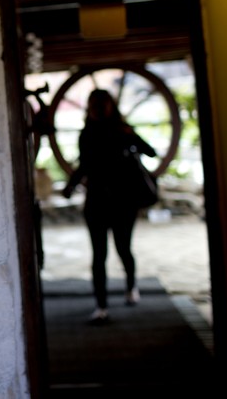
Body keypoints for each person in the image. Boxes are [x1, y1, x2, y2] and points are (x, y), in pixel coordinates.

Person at [61, 89, 157, 324]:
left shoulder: (115, 132)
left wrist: (131, 135)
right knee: (105, 253)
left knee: (118, 250)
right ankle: (105, 303)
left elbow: (150, 152)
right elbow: (84, 165)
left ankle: (125, 290)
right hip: (104, 201)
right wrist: (71, 185)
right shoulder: (91, 134)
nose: (97, 110)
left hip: (117, 201)